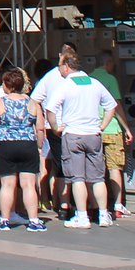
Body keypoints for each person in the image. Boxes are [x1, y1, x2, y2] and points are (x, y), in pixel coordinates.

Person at [45, 56, 119, 228]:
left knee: (77, 178)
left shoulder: (65, 85)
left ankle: (82, 216)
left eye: (60, 66)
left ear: (67, 67)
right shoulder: (94, 83)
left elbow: (50, 109)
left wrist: (56, 127)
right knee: (98, 178)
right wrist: (102, 125)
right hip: (93, 134)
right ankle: (103, 214)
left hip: (73, 134)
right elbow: (111, 105)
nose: (59, 70)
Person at [0, 66, 47, 231]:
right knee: (28, 184)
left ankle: (5, 219)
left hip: (5, 145)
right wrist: (39, 146)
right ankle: (33, 220)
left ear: (6, 85)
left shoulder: (0, 103)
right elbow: (40, 128)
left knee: (7, 184)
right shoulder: (32, 103)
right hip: (27, 144)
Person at [31, 45, 80, 218]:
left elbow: (35, 100)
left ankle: (64, 205)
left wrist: (43, 122)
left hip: (59, 128)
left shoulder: (53, 77)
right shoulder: (80, 78)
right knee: (69, 167)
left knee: (61, 167)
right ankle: (69, 204)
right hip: (69, 128)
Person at [87, 51, 131, 220]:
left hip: (94, 130)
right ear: (109, 63)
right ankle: (118, 206)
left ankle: (93, 206)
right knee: (114, 169)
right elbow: (116, 106)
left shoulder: (88, 79)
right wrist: (127, 128)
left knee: (94, 172)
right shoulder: (111, 79)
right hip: (111, 129)